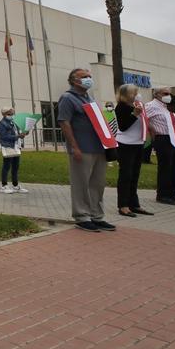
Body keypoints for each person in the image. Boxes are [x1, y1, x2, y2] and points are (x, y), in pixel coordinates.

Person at [57, 68, 116, 233]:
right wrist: (74, 146)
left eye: (90, 76)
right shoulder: (68, 98)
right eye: (85, 77)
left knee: (97, 184)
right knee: (81, 183)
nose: (89, 79)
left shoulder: (90, 98)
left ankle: (97, 216)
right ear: (74, 80)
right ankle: (82, 216)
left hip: (98, 147)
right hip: (82, 148)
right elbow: (64, 122)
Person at [114, 84, 153, 217]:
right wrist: (134, 115)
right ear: (125, 95)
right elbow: (123, 127)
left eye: (137, 92)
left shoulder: (137, 106)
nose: (137, 95)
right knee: (126, 175)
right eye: (134, 92)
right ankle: (123, 205)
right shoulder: (121, 107)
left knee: (135, 175)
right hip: (126, 144)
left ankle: (134, 204)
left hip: (138, 143)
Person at [144, 86, 175, 205]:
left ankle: (172, 194)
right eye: (165, 93)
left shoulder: (165, 107)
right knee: (165, 167)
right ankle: (163, 195)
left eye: (169, 94)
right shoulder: (151, 106)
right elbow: (142, 118)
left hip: (173, 138)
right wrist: (151, 129)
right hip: (162, 138)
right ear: (157, 94)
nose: (168, 96)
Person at [0, 108, 28, 194]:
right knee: (6, 166)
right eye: (10, 114)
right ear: (4, 114)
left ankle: (15, 185)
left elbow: (18, 131)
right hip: (7, 146)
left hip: (16, 146)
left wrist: (24, 132)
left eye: (12, 113)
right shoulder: (1, 124)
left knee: (15, 166)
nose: (12, 115)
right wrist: (18, 136)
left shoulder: (14, 122)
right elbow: (4, 136)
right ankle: (4, 185)